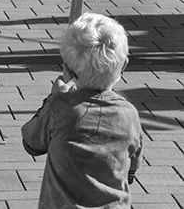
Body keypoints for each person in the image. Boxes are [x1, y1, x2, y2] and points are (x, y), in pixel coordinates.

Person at [22, 13, 143, 209]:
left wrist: (54, 98)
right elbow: (131, 168)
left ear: (68, 71)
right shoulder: (129, 114)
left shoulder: (60, 108)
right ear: (124, 66)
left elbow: (31, 143)